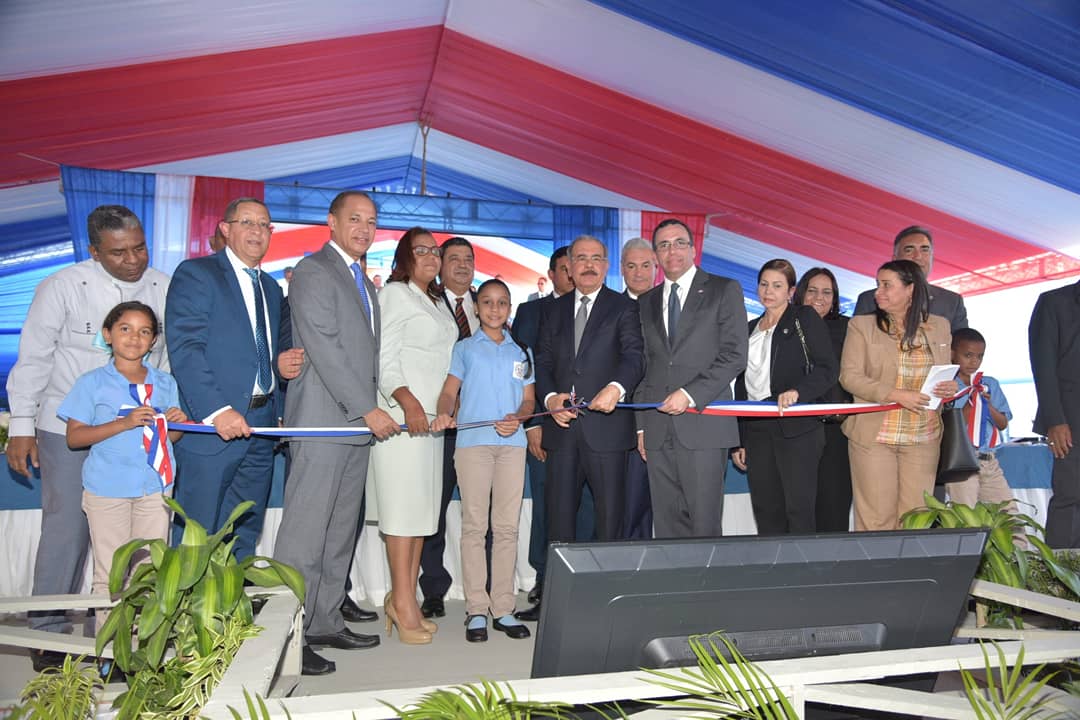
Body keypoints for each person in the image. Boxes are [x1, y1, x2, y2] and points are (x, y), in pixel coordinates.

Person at [5, 204, 170, 671]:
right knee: (67, 531)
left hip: (137, 433)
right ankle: (48, 636)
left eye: (139, 247)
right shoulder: (61, 287)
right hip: (68, 430)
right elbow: (34, 358)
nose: (133, 260)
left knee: (137, 539)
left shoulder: (163, 285)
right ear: (95, 251)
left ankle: (129, 634)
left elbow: (168, 364)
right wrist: (21, 426)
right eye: (119, 253)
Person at [272, 191, 398, 676]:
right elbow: (323, 348)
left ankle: (323, 620)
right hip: (324, 423)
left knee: (338, 535)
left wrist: (368, 411)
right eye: (355, 220)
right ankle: (285, 639)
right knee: (303, 539)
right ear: (332, 222)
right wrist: (367, 408)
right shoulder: (312, 272)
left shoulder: (365, 282)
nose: (364, 229)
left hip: (355, 430)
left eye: (371, 222)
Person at [166, 198, 302, 562]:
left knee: (245, 526)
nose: (257, 232)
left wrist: (277, 375)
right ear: (225, 229)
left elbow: (252, 349)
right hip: (214, 425)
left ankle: (232, 608)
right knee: (198, 529)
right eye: (247, 223)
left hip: (261, 426)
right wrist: (216, 411)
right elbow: (186, 348)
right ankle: (186, 615)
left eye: (265, 225)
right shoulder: (197, 274)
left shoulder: (271, 289)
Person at [56, 302, 186, 636]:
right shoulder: (93, 383)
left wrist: (179, 424)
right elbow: (75, 437)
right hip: (108, 488)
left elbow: (169, 438)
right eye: (125, 329)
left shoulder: (165, 382)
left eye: (145, 331)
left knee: (149, 568)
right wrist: (123, 423)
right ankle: (110, 647)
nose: (134, 338)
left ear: (154, 341)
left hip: (155, 486)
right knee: (111, 573)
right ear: (107, 335)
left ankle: (143, 644)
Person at [432, 279, 534, 642]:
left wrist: (519, 417)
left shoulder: (521, 351)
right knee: (475, 526)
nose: (494, 308)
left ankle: (503, 608)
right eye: (487, 302)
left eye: (502, 302)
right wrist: (444, 413)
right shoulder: (464, 348)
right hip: (472, 445)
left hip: (512, 446)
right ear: (476, 307)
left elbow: (528, 401)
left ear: (510, 308)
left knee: (507, 528)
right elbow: (448, 392)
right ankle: (476, 609)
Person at [370, 227, 458, 644]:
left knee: (422, 514)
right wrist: (407, 404)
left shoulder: (437, 301)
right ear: (404, 256)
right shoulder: (394, 294)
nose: (430, 257)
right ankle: (402, 601)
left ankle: (405, 597)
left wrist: (443, 406)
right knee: (402, 515)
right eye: (420, 250)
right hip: (402, 420)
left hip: (432, 424)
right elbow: (384, 361)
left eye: (435, 251)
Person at [636, 219, 748, 538]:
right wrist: (642, 426)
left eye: (679, 242)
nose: (673, 250)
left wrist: (690, 393)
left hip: (704, 422)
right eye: (664, 245)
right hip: (657, 430)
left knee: (704, 522)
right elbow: (645, 366)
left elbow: (734, 355)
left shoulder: (723, 289)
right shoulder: (645, 302)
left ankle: (708, 588)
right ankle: (676, 587)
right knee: (667, 523)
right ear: (656, 254)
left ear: (693, 248)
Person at [535, 234, 644, 546]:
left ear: (607, 266)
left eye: (596, 258)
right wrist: (550, 397)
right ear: (568, 266)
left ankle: (610, 591)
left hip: (607, 432)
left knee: (611, 521)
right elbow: (541, 361)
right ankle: (560, 592)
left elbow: (635, 356)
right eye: (581, 258)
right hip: (561, 430)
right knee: (558, 521)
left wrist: (616, 388)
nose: (589, 265)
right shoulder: (552, 311)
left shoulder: (624, 308)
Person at [840, 260, 958, 531]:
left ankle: (912, 575)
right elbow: (850, 377)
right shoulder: (861, 325)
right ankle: (875, 574)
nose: (878, 292)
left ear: (910, 290)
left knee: (915, 521)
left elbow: (943, 373)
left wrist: (951, 387)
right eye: (877, 285)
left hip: (923, 438)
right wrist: (895, 395)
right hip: (875, 437)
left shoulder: (940, 326)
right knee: (876, 521)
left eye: (886, 285)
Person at [510, 246, 595, 623]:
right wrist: (533, 424)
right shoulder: (532, 312)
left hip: (594, 431)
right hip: (547, 426)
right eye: (563, 268)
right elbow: (524, 369)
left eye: (575, 266)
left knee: (589, 509)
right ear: (554, 272)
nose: (571, 273)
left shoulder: (603, 308)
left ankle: (587, 581)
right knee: (549, 506)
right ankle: (546, 580)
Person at [732, 260, 837, 534]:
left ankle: (803, 573)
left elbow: (828, 369)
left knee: (798, 509)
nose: (769, 291)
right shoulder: (749, 328)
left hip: (796, 427)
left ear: (791, 291)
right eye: (764, 284)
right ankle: (773, 571)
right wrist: (739, 440)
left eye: (777, 285)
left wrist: (798, 392)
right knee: (766, 508)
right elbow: (742, 385)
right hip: (756, 427)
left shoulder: (804, 318)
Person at [419, 236, 479, 620]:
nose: (460, 265)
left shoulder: (491, 305)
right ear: (440, 264)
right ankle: (434, 589)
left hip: (479, 428)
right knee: (433, 510)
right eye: (452, 258)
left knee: (480, 512)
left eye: (467, 259)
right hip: (440, 426)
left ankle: (484, 587)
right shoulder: (427, 304)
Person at [793, 267, 853, 532]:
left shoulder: (849, 328)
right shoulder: (786, 324)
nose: (819, 297)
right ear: (801, 292)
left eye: (827, 292)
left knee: (834, 504)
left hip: (836, 430)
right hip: (795, 429)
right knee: (798, 506)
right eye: (813, 291)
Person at [1029, 279, 1080, 548]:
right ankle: (1061, 580)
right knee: (1070, 496)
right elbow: (1043, 365)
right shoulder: (1054, 301)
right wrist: (1055, 420)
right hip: (1070, 420)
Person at [944, 328, 1014, 509]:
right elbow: (955, 426)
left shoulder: (989, 384)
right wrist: (972, 402)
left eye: (979, 356)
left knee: (1009, 514)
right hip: (962, 463)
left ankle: (1017, 539)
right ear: (952, 353)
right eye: (968, 355)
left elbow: (1003, 423)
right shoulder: (947, 386)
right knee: (967, 513)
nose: (974, 361)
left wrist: (986, 405)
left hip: (989, 460)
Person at [853, 226, 967, 332]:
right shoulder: (869, 300)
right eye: (909, 250)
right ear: (895, 259)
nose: (918, 256)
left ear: (932, 258)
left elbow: (961, 348)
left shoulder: (951, 302)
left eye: (925, 250)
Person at [619, 237, 657, 539]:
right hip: (624, 425)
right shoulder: (609, 309)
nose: (639, 272)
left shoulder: (673, 309)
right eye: (632, 266)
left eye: (646, 265)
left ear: (656, 268)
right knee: (629, 509)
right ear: (622, 269)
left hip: (672, 419)